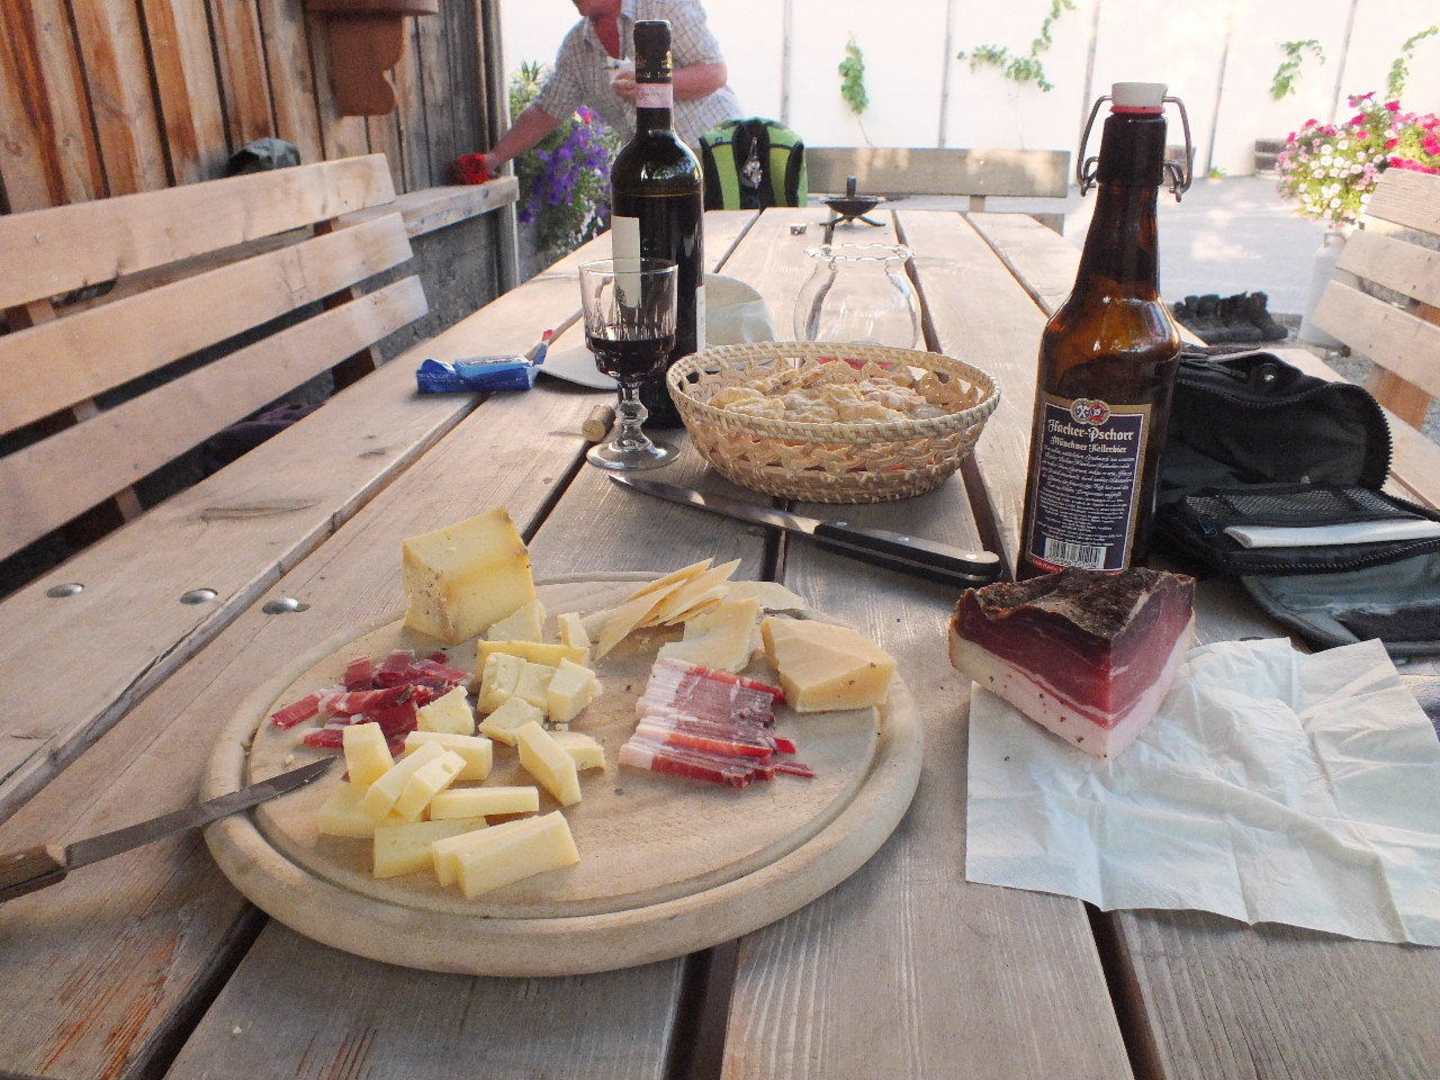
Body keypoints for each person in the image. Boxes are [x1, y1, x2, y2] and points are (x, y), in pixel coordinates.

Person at [479, 0, 743, 174]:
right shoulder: (576, 47)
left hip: (716, 154)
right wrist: (493, 159)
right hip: (652, 170)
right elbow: (545, 111)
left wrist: (652, 83)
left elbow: (714, 72)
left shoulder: (662, 4)